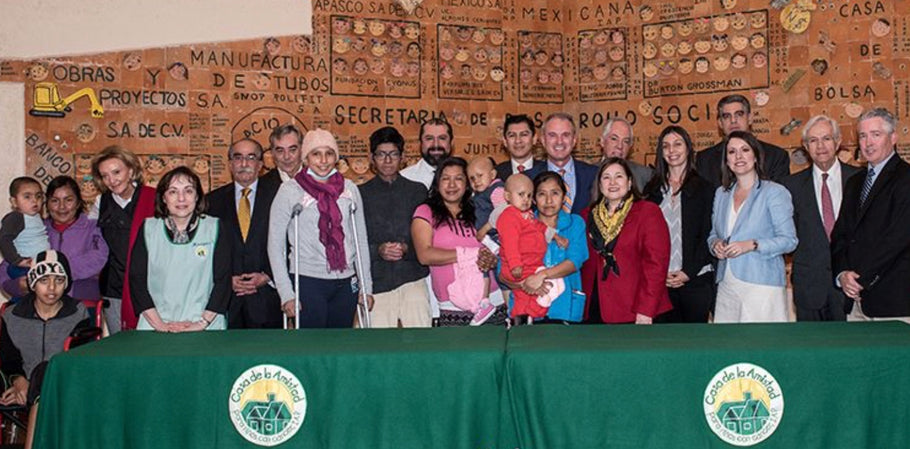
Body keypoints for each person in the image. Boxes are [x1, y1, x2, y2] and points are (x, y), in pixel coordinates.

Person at [268, 129, 374, 328]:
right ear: (306, 158)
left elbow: (360, 240)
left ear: (336, 157)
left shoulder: (349, 189)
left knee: (340, 344)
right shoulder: (290, 190)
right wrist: (286, 294)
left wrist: (366, 287)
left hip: (345, 280)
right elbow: (275, 246)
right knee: (311, 346)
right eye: (316, 154)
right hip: (308, 280)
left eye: (329, 153)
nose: (323, 160)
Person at [0, 250, 92, 449]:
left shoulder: (78, 312)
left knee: (45, 370)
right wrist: (18, 381)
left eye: (59, 280)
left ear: (66, 283)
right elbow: (8, 359)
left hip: (65, 386)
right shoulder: (12, 315)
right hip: (21, 385)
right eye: (44, 280)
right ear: (33, 283)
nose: (52, 288)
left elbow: (80, 359)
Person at [708, 131, 797, 323]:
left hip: (762, 285)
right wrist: (715, 244)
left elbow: (789, 241)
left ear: (755, 156)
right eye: (732, 152)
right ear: (727, 161)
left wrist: (752, 244)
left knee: (763, 348)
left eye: (745, 150)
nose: (738, 156)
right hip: (727, 285)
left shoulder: (774, 192)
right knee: (729, 347)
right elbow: (714, 233)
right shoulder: (721, 194)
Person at [832, 108, 910, 322]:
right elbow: (841, 234)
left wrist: (861, 280)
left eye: (876, 134)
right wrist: (842, 275)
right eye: (863, 136)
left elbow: (898, 239)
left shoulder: (906, 178)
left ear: (893, 138)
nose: (868, 142)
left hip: (893, 301)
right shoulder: (855, 182)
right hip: (854, 301)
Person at [129, 167, 229, 331]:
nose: (181, 198)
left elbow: (223, 282)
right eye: (173, 192)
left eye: (188, 191)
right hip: (155, 325)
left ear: (197, 196)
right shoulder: (148, 229)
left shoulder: (215, 228)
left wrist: (201, 323)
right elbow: (137, 281)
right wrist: (160, 325)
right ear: (163, 198)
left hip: (205, 325)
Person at [411, 157, 506, 326]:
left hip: (492, 300)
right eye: (446, 178)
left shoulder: (479, 209)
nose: (452, 185)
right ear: (437, 182)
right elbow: (424, 255)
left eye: (459, 178)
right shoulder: (425, 211)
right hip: (452, 305)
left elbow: (499, 241)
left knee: (495, 352)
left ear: (467, 183)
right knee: (456, 352)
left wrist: (493, 258)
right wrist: (471, 254)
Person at [783, 116, 859, 321]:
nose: (820, 146)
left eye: (826, 138)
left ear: (838, 141)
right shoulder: (790, 187)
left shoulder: (859, 180)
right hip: (809, 289)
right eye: (813, 140)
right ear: (806, 146)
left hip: (851, 287)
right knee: (810, 351)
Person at [581, 158, 671, 324]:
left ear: (630, 182)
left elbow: (656, 265)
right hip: (595, 307)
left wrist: (646, 310)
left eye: (619, 176)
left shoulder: (647, 212)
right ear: (600, 185)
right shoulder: (587, 216)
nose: (612, 182)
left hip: (635, 309)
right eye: (606, 177)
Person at [206, 138, 283, 328]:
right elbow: (205, 250)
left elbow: (291, 243)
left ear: (260, 164)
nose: (244, 164)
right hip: (226, 302)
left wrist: (267, 276)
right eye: (238, 157)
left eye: (251, 158)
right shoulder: (211, 202)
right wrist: (225, 280)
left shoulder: (280, 198)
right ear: (230, 164)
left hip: (267, 301)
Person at [359, 126, 431, 328]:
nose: (387, 160)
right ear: (371, 157)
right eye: (381, 154)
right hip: (377, 282)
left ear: (402, 156)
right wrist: (378, 250)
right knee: (378, 349)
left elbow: (428, 236)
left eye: (393, 154)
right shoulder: (360, 194)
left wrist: (407, 248)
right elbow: (354, 240)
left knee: (420, 343)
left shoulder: (417, 191)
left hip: (412, 277)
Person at [642, 126, 716, 323]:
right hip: (659, 283)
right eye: (666, 146)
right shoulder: (651, 190)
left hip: (696, 281)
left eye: (677, 144)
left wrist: (687, 273)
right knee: (664, 344)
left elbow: (709, 235)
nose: (671, 151)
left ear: (689, 148)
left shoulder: (705, 189)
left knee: (694, 343)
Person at [0, 176, 108, 302]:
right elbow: (8, 262)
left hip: (81, 300)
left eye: (68, 200)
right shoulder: (36, 228)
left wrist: (53, 272)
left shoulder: (93, 227)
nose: (62, 207)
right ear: (46, 204)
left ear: (78, 202)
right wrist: (17, 286)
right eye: (55, 201)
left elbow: (98, 258)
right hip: (38, 306)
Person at [90, 145, 156, 333]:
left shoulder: (154, 197)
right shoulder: (100, 203)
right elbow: (92, 240)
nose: (112, 180)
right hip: (114, 287)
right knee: (120, 346)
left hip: (150, 284)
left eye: (117, 172)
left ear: (132, 170)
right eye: (105, 175)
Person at [496, 174, 564, 321]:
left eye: (529, 195)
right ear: (507, 196)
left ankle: (526, 316)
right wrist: (515, 264)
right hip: (520, 266)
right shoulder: (508, 216)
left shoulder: (527, 214)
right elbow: (510, 243)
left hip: (532, 264)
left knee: (544, 290)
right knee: (547, 288)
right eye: (521, 195)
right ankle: (527, 315)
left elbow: (540, 226)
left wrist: (555, 236)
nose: (526, 199)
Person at [696, 94, 791, 187]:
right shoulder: (704, 159)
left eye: (739, 114)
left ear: (750, 118)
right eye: (726, 116)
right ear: (720, 123)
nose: (733, 120)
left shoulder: (776, 156)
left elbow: (780, 196)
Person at [541, 113, 598, 214]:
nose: (559, 141)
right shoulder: (529, 178)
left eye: (566, 135)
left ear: (574, 140)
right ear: (543, 140)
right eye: (552, 135)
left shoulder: (594, 175)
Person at [0, 177, 50, 291]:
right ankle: (15, 306)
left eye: (38, 196)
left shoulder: (36, 217)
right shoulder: (16, 217)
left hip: (37, 265)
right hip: (23, 267)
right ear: (14, 201)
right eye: (27, 197)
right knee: (31, 294)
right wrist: (18, 260)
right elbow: (4, 240)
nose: (34, 201)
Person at [599, 117, 653, 193]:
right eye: (614, 139)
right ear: (602, 141)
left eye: (626, 141)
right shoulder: (588, 174)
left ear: (630, 146)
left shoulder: (645, 175)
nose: (620, 146)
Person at [401, 118, 453, 189]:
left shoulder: (465, 177)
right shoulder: (404, 178)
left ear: (451, 143)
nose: (436, 144)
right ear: (420, 143)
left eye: (442, 138)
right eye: (429, 138)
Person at [495, 114, 547, 181]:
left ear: (534, 139)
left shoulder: (547, 170)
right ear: (505, 141)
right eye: (512, 135)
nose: (518, 141)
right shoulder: (496, 174)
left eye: (524, 134)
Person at [468, 156, 506, 247]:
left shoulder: (497, 191)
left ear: (492, 174)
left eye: (480, 175)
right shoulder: (478, 193)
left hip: (497, 235)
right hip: (485, 236)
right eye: (472, 178)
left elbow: (503, 212)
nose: (476, 181)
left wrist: (485, 228)